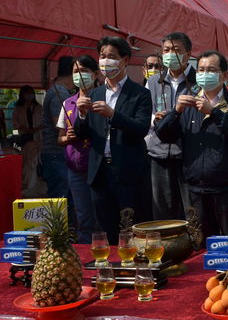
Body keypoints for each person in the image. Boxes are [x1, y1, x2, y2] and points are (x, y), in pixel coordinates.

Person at [155, 51, 228, 238]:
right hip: (195, 190)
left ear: (224, 75)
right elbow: (164, 134)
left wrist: (214, 112)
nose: (204, 74)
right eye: (201, 69)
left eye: (211, 70)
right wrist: (175, 112)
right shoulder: (188, 103)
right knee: (199, 245)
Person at [74, 36, 152, 244]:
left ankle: (136, 269)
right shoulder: (95, 92)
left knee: (132, 228)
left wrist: (113, 114)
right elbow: (82, 133)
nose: (105, 61)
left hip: (128, 172)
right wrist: (81, 114)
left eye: (111, 57)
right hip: (100, 172)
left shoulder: (140, 94)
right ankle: (108, 269)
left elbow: (141, 128)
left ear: (125, 60)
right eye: (102, 56)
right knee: (105, 227)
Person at [145, 32, 196, 220]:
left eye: (176, 50)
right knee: (162, 212)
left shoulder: (198, 81)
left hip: (187, 154)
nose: (170, 54)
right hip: (158, 154)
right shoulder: (153, 81)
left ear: (188, 54)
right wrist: (154, 118)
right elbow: (145, 114)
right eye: (166, 50)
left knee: (190, 211)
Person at [57, 55, 101, 243]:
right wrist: (68, 137)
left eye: (84, 70)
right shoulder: (67, 103)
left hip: (98, 168)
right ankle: (83, 255)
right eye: (76, 71)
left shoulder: (102, 99)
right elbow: (59, 138)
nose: (80, 75)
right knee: (82, 215)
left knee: (100, 215)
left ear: (95, 74)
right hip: (75, 169)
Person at [40, 56, 74, 202]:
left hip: (56, 154)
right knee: (61, 199)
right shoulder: (59, 93)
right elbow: (59, 124)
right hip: (55, 154)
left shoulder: (58, 90)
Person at [12, 85, 45, 198]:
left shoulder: (39, 107)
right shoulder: (18, 107)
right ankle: (29, 186)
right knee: (28, 162)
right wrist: (24, 128)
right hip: (26, 138)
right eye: (27, 93)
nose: (29, 95)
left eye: (31, 93)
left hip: (38, 137)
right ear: (22, 95)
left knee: (36, 161)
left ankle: (34, 186)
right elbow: (15, 122)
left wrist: (36, 129)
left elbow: (45, 121)